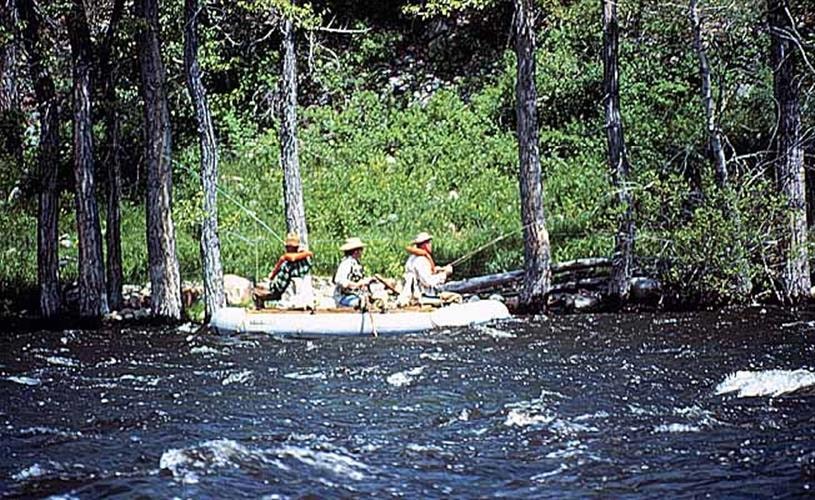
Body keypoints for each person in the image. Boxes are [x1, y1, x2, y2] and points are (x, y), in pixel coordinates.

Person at [254, 232, 313, 308]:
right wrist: (273, 274)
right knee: (260, 289)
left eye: (288, 247)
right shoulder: (288, 259)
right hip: (278, 286)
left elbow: (293, 257)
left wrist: (284, 257)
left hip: (280, 288)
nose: (286, 248)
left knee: (261, 290)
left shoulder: (297, 257)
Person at [398, 231, 454, 306]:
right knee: (466, 284)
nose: (430, 245)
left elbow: (425, 273)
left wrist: (438, 269)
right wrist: (445, 274)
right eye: (429, 243)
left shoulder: (413, 258)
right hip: (429, 292)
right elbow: (429, 282)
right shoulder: (421, 260)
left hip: (423, 289)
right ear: (424, 245)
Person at [333, 237, 373, 308]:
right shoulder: (346, 264)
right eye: (361, 250)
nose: (362, 252)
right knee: (361, 302)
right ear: (356, 251)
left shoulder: (356, 263)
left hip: (356, 294)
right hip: (344, 297)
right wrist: (358, 284)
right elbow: (342, 282)